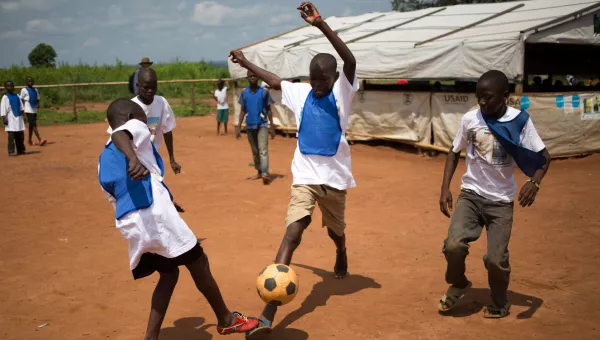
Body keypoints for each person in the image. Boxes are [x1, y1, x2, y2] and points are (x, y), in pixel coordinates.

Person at [230, 2, 358, 335]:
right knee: (293, 233)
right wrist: (246, 62)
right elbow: (274, 81)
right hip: (305, 177)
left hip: (335, 179)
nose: (317, 85)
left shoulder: (343, 93)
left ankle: (340, 249)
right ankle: (268, 313)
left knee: (335, 229)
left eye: (323, 80)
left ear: (334, 78)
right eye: (313, 79)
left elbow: (351, 61)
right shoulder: (302, 92)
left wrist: (321, 25)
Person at [98, 99, 259, 340]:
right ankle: (226, 319)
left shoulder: (103, 158)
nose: (146, 123)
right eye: (143, 116)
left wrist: (167, 200)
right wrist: (133, 159)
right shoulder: (132, 128)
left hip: (130, 222)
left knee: (169, 273)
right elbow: (123, 133)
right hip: (154, 215)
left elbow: (119, 192)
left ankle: (150, 337)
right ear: (131, 115)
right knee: (198, 260)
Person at [438, 70, 551, 318]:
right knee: (453, 245)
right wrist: (445, 188)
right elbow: (453, 151)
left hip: (501, 202)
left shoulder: (520, 121)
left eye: (487, 97)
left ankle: (500, 301)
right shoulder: (470, 119)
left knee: (495, 260)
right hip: (471, 194)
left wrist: (535, 182)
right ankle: (458, 283)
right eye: (478, 97)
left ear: (505, 96)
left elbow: (544, 157)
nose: (482, 102)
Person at [109, 68, 181, 174]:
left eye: (153, 87)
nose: (150, 90)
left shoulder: (161, 103)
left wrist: (172, 160)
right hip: (132, 162)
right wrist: (131, 160)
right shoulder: (129, 106)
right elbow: (116, 135)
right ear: (138, 85)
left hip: (152, 161)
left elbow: (167, 131)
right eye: (146, 87)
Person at [236, 70, 276, 185]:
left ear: (258, 78)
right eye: (250, 76)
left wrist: (272, 126)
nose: (253, 78)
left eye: (255, 76)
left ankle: (265, 173)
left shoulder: (264, 92)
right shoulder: (244, 93)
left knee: (263, 149)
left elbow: (269, 109)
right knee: (255, 150)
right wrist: (239, 126)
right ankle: (259, 171)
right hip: (249, 125)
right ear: (247, 78)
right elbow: (243, 110)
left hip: (262, 124)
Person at [2, 80, 26, 156]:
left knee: (20, 135)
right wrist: (4, 118)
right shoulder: (5, 97)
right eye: (8, 86)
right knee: (11, 136)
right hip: (10, 118)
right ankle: (11, 151)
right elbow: (3, 109)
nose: (10, 87)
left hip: (18, 118)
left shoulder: (17, 96)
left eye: (11, 85)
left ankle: (21, 149)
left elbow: (21, 107)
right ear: (5, 87)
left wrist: (24, 115)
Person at [20, 77, 47, 146]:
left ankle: (29, 140)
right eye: (29, 81)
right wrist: (22, 108)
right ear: (26, 82)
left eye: (31, 81)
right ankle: (40, 139)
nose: (30, 82)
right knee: (34, 124)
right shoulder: (24, 90)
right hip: (28, 109)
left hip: (34, 109)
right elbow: (21, 99)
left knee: (31, 125)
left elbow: (38, 98)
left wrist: (37, 104)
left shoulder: (36, 90)